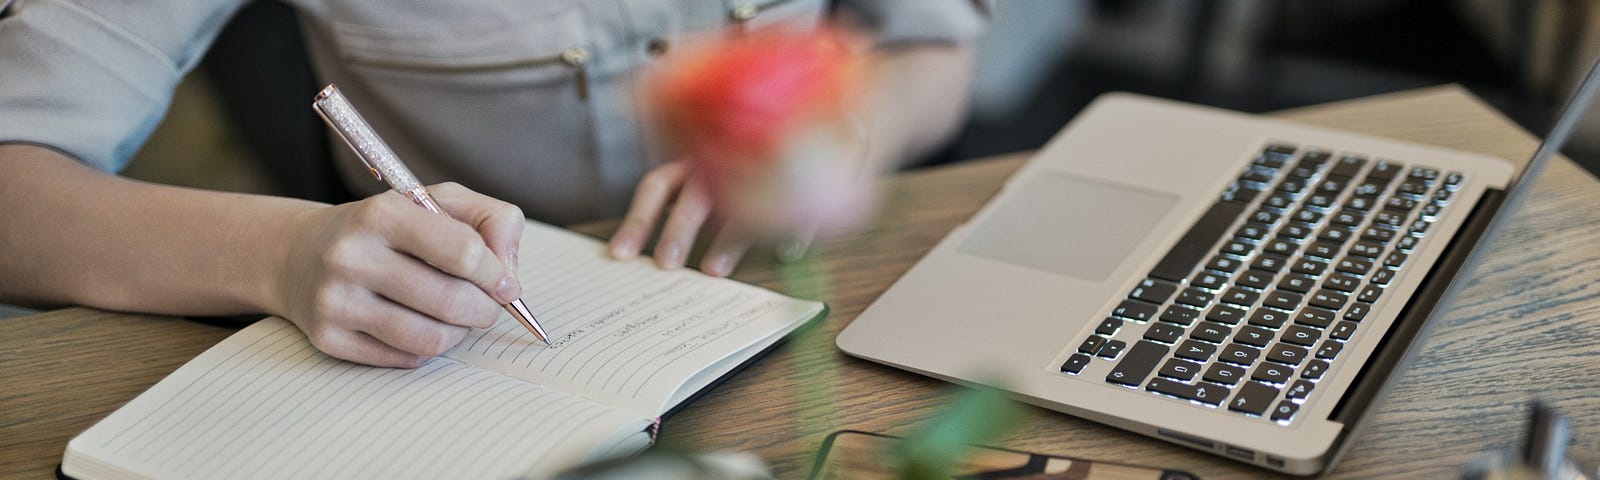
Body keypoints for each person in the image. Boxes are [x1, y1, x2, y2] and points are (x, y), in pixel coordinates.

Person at [0, 0, 984, 367]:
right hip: (452, 356)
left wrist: (848, 131)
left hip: (816, 307)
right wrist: (284, 251)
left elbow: (933, 49)